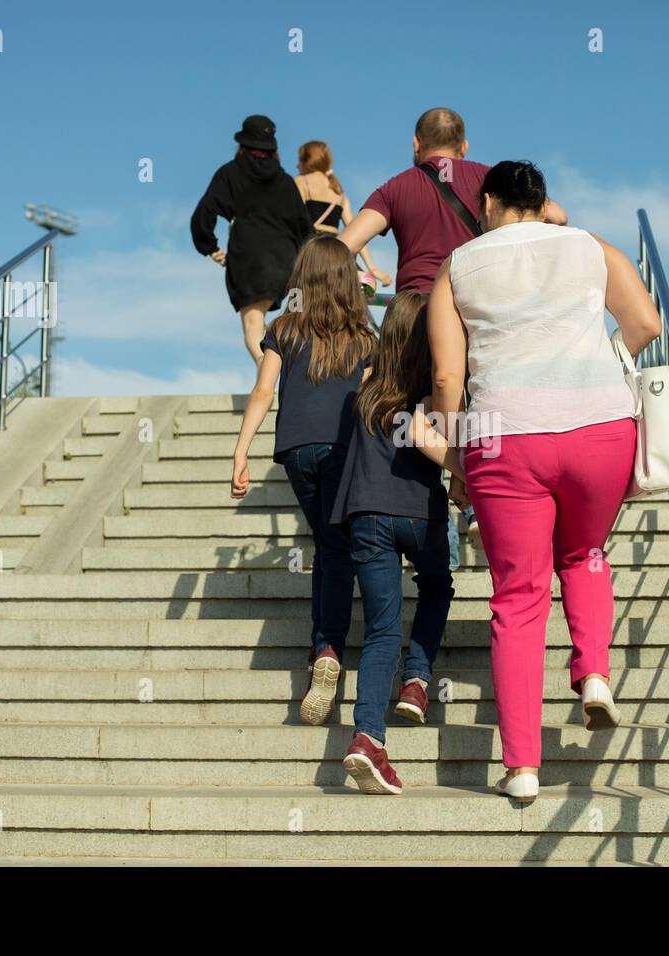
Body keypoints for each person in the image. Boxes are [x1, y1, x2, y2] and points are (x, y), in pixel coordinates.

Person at [427, 161, 664, 804]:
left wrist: (455, 453)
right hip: (600, 426)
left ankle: (523, 768)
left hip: (506, 435)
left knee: (518, 598)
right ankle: (593, 675)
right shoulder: (588, 246)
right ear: (543, 202)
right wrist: (603, 364)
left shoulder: (459, 266)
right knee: (584, 555)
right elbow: (646, 323)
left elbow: (448, 380)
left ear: (490, 201)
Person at [338, 107, 569, 567]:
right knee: (477, 399)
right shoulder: (488, 181)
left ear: (416, 144)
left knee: (419, 412)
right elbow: (557, 217)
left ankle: (438, 522)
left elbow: (345, 245)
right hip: (480, 308)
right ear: (464, 147)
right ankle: (485, 501)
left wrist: (358, 288)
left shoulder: (396, 186)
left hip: (414, 321)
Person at [232, 235, 378, 726]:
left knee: (327, 543)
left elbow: (261, 390)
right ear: (347, 280)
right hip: (343, 447)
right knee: (339, 547)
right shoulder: (364, 335)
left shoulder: (283, 329)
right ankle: (329, 649)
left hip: (295, 449)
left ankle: (323, 648)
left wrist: (240, 451)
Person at [330, 292, 460, 794]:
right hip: (415, 513)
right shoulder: (428, 389)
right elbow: (428, 437)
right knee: (436, 585)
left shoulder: (365, 387)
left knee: (382, 631)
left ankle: (366, 738)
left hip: (365, 515)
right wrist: (465, 470)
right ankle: (417, 680)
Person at [191, 114, 315, 365]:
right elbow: (304, 226)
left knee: (253, 324)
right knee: (296, 316)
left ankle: (265, 371)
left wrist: (210, 247)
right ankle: (295, 373)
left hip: (249, 261)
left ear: (243, 144)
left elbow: (204, 212)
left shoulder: (230, 173)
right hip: (287, 262)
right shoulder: (285, 181)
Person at [294, 141, 391, 287]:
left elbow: (296, 218)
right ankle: (358, 274)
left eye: (299, 160)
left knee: (306, 296)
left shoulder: (301, 182)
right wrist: (373, 268)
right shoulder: (338, 190)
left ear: (308, 162)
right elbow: (356, 229)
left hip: (313, 247)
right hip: (336, 247)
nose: (297, 165)